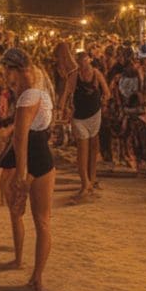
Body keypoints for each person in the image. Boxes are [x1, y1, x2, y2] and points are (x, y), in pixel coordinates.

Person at [0, 48, 55, 291]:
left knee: (24, 214)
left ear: (15, 69)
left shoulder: (28, 96)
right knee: (42, 221)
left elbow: (20, 138)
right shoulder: (40, 86)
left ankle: (32, 273)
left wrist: (21, 175)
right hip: (44, 158)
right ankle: (36, 276)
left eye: (6, 71)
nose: (4, 76)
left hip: (31, 158)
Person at [58, 49, 110, 202]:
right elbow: (67, 92)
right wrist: (61, 108)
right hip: (79, 117)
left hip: (94, 115)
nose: (83, 65)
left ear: (89, 61)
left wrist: (104, 101)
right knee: (82, 151)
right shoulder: (75, 76)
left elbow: (107, 91)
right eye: (80, 63)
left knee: (93, 149)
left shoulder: (96, 74)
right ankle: (84, 183)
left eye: (84, 62)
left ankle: (91, 180)